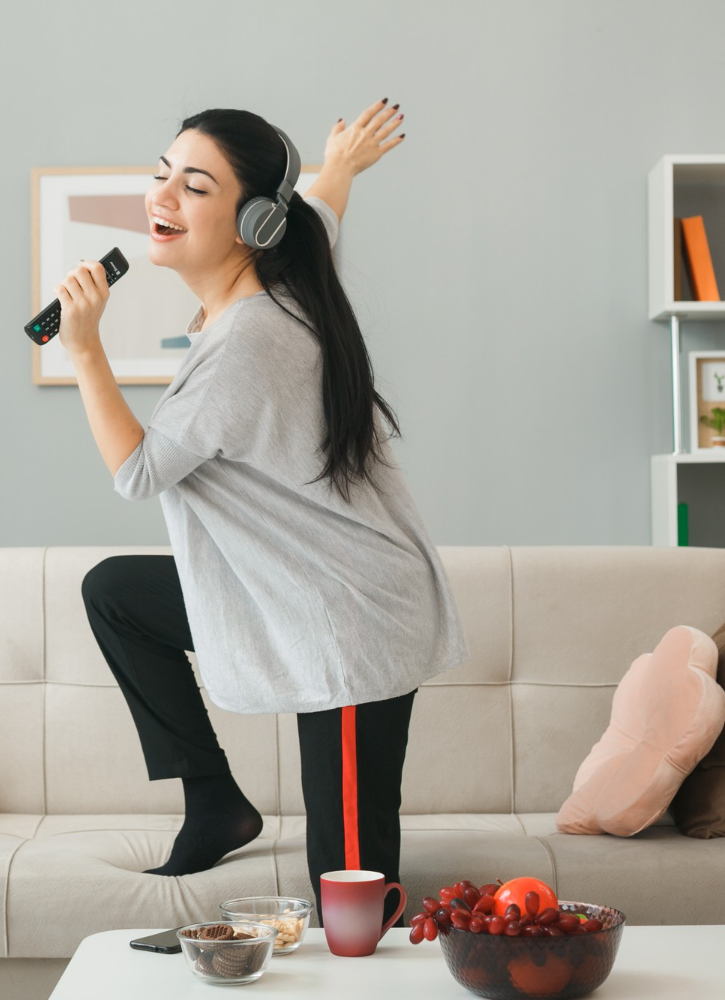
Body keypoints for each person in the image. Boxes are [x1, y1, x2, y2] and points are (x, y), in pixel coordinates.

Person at [57, 99, 468, 926]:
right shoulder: (285, 277)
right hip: (291, 591)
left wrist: (85, 351)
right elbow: (319, 213)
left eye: (193, 185)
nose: (162, 196)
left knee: (348, 898)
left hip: (348, 623)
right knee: (117, 594)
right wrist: (340, 166)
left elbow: (140, 472)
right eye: (161, 174)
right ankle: (214, 799)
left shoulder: (248, 341)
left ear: (251, 222)